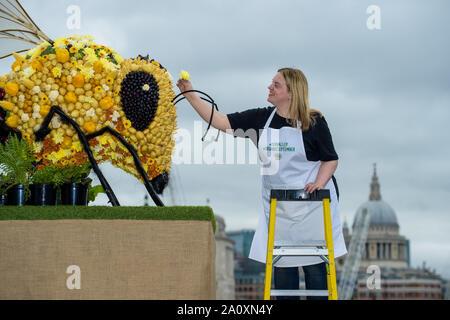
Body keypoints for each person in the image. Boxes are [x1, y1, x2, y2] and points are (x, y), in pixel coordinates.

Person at [177, 67, 347, 300]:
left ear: (291, 92)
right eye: (272, 83)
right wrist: (190, 95)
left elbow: (330, 159)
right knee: (283, 273)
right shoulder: (260, 119)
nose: (270, 86)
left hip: (313, 209)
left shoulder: (314, 121)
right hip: (281, 210)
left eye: (276, 85)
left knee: (315, 272)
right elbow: (220, 121)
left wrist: (318, 183)